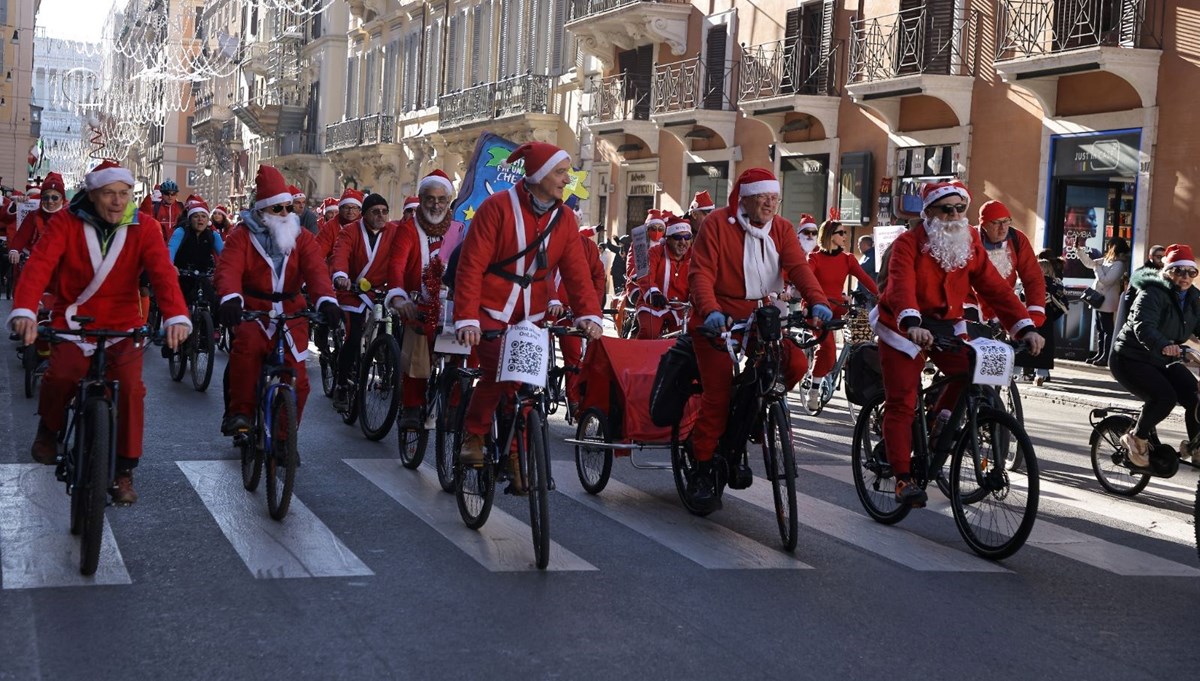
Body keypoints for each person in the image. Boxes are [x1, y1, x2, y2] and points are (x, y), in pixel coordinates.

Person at [6, 159, 191, 504]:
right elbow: (39, 266)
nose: (118, 201)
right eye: (109, 194)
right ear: (92, 194)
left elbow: (163, 274)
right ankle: (49, 429)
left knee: (132, 390)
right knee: (62, 374)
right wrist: (26, 310)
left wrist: (177, 316)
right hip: (73, 320)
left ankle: (124, 469)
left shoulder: (145, 227)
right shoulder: (65, 223)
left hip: (123, 324)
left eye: (124, 194)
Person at [873, 181, 1043, 507]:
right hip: (902, 325)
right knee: (904, 401)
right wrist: (912, 323)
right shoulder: (908, 244)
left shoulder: (969, 247)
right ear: (929, 213)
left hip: (947, 325)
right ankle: (903, 478)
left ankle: (941, 420)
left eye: (959, 209)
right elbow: (900, 286)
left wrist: (1025, 328)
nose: (953, 215)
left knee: (974, 369)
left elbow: (996, 289)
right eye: (945, 209)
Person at [688, 168, 833, 512]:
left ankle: (753, 414)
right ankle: (703, 468)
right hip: (718, 318)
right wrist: (710, 310)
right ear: (746, 198)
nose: (770, 204)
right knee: (718, 396)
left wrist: (819, 301)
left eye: (774, 198)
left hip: (762, 316)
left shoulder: (781, 229)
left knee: (795, 361)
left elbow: (799, 268)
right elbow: (701, 273)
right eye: (764, 198)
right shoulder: (716, 225)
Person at [452, 142, 604, 469]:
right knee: (496, 371)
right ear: (538, 175)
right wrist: (466, 318)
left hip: (531, 315)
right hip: (490, 310)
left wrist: (589, 315)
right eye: (560, 172)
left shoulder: (564, 218)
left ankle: (516, 453)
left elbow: (577, 273)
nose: (567, 179)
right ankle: (475, 433)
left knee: (524, 383)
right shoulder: (496, 208)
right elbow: (470, 267)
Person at [215, 164, 341, 436]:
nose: (285, 214)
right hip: (253, 311)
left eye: (289, 208)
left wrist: (326, 302)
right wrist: (230, 298)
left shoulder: (303, 238)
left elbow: (317, 272)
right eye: (277, 209)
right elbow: (229, 270)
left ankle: (285, 438)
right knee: (245, 355)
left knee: (300, 380)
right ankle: (241, 414)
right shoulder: (241, 237)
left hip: (291, 312)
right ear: (261, 212)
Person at [386, 170, 466, 428]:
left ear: (448, 200)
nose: (436, 205)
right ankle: (411, 405)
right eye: (430, 199)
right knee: (418, 345)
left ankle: (454, 404)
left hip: (451, 302)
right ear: (421, 199)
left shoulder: (459, 229)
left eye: (442, 199)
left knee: (464, 347)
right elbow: (396, 265)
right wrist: (398, 297)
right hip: (417, 303)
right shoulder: (407, 230)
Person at [1109, 244, 1200, 466]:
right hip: (1131, 358)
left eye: (1191, 272)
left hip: (1164, 359)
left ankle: (1197, 447)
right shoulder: (1152, 293)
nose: (1185, 277)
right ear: (1167, 272)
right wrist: (1165, 345)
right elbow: (1143, 326)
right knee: (1164, 397)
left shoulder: (1194, 298)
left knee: (1195, 397)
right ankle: (1136, 439)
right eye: (1179, 270)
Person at [330, 192, 402, 411]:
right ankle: (342, 384)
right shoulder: (349, 232)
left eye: (384, 212)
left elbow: (404, 258)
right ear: (364, 214)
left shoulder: (395, 232)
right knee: (353, 337)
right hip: (353, 291)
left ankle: (389, 363)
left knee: (397, 329)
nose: (381, 216)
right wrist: (340, 275)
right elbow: (340, 254)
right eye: (375, 212)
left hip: (382, 291)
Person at [805, 218, 879, 410]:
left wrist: (881, 296)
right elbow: (806, 280)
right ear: (829, 235)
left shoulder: (848, 259)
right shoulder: (815, 259)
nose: (845, 236)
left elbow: (865, 279)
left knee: (862, 334)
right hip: (818, 308)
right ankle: (814, 388)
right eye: (841, 233)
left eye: (845, 233)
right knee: (828, 348)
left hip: (838, 305)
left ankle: (840, 370)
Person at [635, 214, 693, 339]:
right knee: (649, 332)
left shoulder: (695, 256)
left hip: (681, 308)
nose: (683, 242)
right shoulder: (654, 251)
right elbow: (644, 274)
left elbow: (700, 278)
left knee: (684, 339)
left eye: (687, 237)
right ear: (668, 239)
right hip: (653, 304)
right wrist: (653, 293)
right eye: (678, 237)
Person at [1075, 235, 1129, 365]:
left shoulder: (1119, 265)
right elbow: (1090, 263)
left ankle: (1106, 355)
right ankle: (1100, 353)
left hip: (1108, 300)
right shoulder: (1107, 260)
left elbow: (1106, 280)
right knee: (1099, 328)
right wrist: (1079, 250)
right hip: (1098, 299)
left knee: (1107, 329)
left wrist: (1097, 268)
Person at [9, 172, 66, 262]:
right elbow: (22, 235)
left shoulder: (68, 217)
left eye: (55, 198)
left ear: (62, 199)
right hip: (34, 257)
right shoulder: (33, 215)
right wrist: (15, 250)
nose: (50, 201)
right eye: (46, 198)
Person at [317, 187, 364, 262]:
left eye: (354, 208)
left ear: (360, 210)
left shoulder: (365, 225)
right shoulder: (330, 226)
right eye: (346, 207)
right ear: (340, 209)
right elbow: (318, 252)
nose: (350, 211)